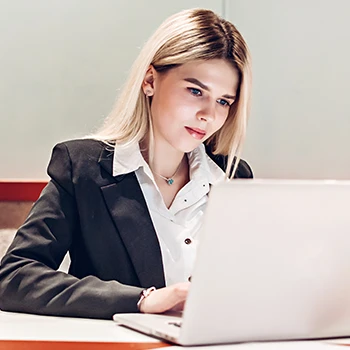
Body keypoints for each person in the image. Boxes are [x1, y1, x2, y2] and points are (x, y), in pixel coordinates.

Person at [0, 8, 253, 319]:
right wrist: (142, 300)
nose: (209, 115)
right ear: (150, 81)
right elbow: (14, 277)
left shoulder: (233, 176)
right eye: (196, 91)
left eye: (224, 101)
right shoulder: (83, 168)